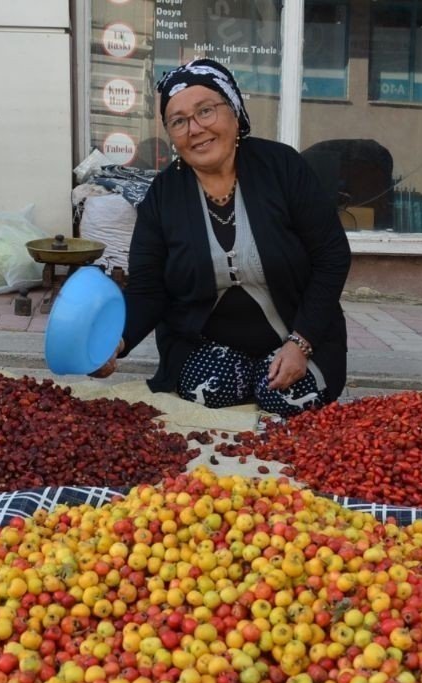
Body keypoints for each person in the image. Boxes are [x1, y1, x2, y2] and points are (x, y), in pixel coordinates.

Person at [90, 58, 351, 417]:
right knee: (207, 388)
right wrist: (116, 342)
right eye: (178, 121)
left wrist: (301, 343)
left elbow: (332, 256)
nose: (195, 129)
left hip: (297, 337)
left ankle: (276, 369)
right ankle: (247, 377)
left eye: (206, 111)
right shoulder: (164, 197)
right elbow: (148, 290)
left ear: (234, 111)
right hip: (209, 349)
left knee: (287, 398)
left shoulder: (282, 168)